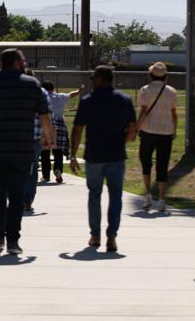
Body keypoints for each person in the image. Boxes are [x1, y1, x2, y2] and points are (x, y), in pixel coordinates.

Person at [0, 48, 54, 255]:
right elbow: (44, 114)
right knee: (17, 195)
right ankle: (13, 241)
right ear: (17, 62)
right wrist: (48, 137)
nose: (25, 63)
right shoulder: (32, 85)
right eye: (24, 60)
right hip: (22, 148)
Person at [70, 65, 137, 253]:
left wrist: (73, 154)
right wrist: (122, 140)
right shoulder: (125, 100)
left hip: (94, 155)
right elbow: (133, 129)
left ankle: (95, 235)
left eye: (92, 78)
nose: (91, 81)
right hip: (116, 155)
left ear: (100, 78)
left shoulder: (87, 101)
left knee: (94, 195)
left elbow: (77, 129)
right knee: (115, 195)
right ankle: (112, 237)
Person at [135, 62, 178, 212]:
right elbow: (174, 113)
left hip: (148, 131)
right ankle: (161, 199)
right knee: (163, 165)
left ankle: (147, 195)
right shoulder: (172, 91)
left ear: (150, 75)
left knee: (146, 163)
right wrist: (174, 130)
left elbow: (143, 111)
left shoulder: (145, 90)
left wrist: (136, 128)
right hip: (166, 132)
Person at [40, 81, 84, 184]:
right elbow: (71, 94)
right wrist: (80, 90)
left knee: (45, 152)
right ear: (53, 88)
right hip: (59, 126)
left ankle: (46, 176)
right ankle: (58, 170)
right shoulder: (60, 97)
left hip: (46, 125)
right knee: (58, 151)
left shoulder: (41, 98)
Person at [22, 69, 52, 213]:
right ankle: (28, 201)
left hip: (16, 138)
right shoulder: (42, 93)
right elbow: (47, 116)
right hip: (35, 138)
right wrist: (47, 136)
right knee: (32, 170)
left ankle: (19, 199)